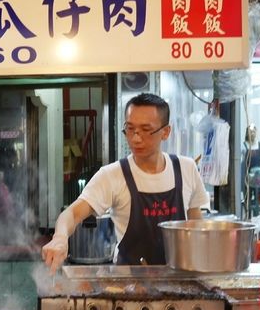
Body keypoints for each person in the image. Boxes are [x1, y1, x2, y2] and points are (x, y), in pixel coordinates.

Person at [42, 93, 209, 272]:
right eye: (130, 129)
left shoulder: (186, 168)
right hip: (130, 286)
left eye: (146, 130)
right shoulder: (113, 175)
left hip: (181, 279)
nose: (136, 138)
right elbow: (73, 213)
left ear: (165, 132)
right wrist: (60, 237)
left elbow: (195, 225)